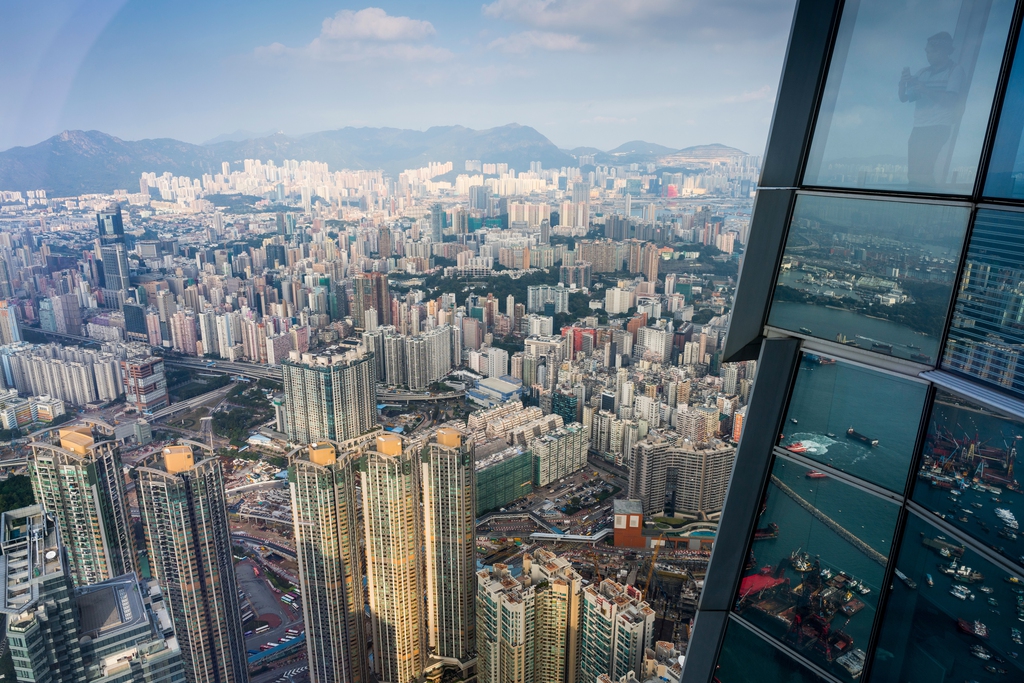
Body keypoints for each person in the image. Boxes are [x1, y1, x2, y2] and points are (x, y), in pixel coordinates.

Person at [899, 32, 966, 188]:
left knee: (924, 170)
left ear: (943, 50)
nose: (928, 55)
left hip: (938, 126)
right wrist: (903, 83)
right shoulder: (923, 72)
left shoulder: (955, 70)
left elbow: (950, 100)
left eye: (931, 51)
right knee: (914, 172)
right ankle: (918, 199)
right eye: (927, 51)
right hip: (919, 127)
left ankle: (924, 200)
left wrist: (925, 89)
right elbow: (904, 98)